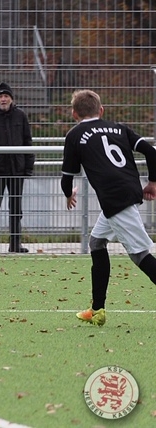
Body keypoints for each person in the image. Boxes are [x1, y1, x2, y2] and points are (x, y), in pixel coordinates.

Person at [62, 89, 156, 326]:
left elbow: (66, 178)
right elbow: (151, 152)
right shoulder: (120, 128)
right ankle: (97, 310)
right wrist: (152, 182)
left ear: (74, 114)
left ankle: (97, 310)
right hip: (124, 195)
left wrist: (68, 194)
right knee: (96, 242)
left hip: (115, 199)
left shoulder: (74, 135)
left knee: (140, 256)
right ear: (101, 110)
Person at [0, 83, 35, 253]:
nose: (3, 99)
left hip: (17, 170)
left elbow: (27, 141)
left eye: (6, 96)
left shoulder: (21, 116)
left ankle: (15, 243)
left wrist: (28, 167)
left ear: (11, 98)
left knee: (16, 209)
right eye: (0, 96)